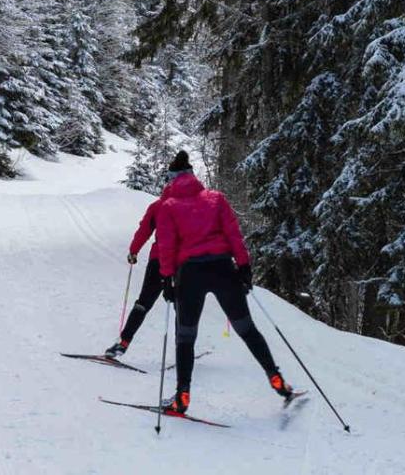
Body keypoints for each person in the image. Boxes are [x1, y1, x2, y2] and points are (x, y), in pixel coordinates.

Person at [154, 150, 295, 415]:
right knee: (247, 329)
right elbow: (234, 235)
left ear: (172, 180)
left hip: (190, 275)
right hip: (223, 269)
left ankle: (182, 396)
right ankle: (276, 379)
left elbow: (166, 246)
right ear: (193, 176)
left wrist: (166, 279)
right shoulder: (216, 199)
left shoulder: (168, 207)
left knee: (185, 337)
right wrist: (244, 267)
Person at [103, 186, 168, 358]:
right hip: (181, 264)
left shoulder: (157, 206)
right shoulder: (192, 206)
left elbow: (144, 230)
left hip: (159, 261)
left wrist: (134, 251)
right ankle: (184, 352)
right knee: (182, 306)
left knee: (143, 303)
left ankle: (123, 343)